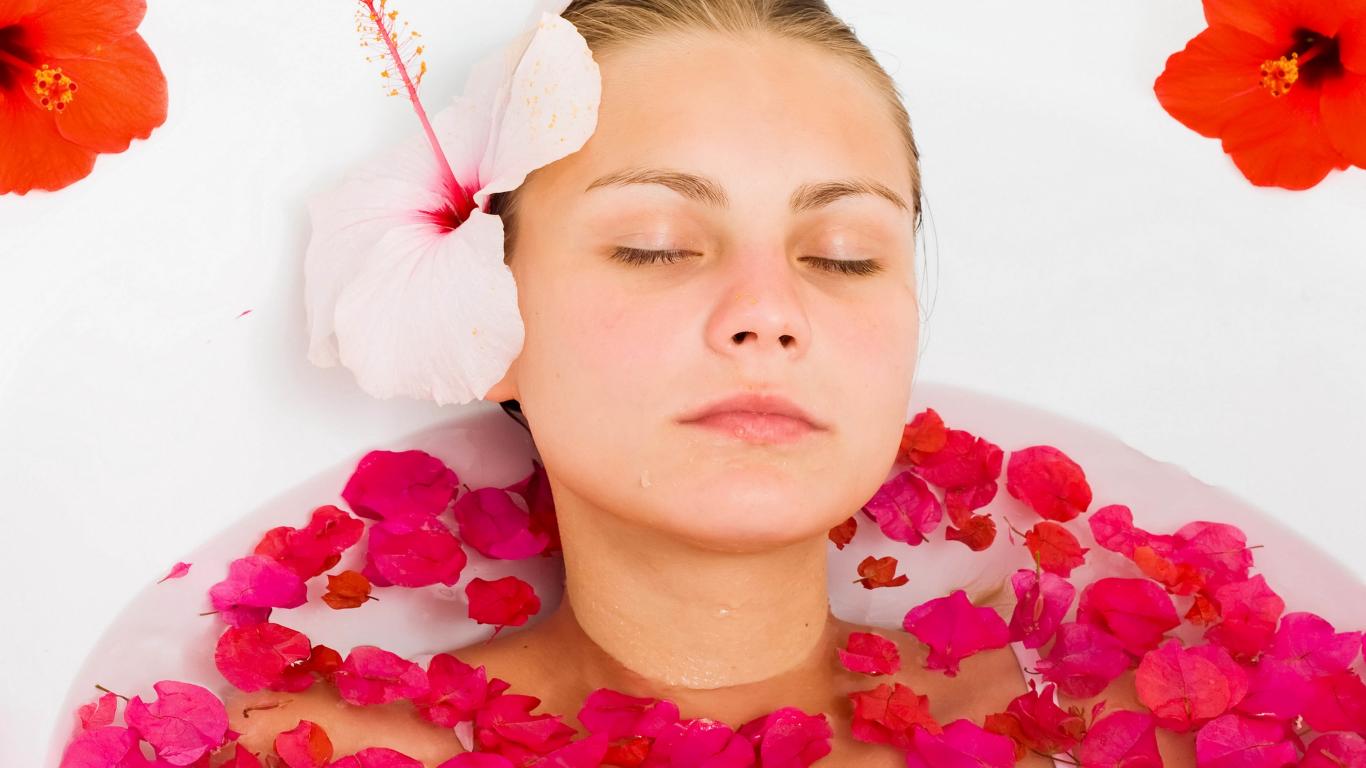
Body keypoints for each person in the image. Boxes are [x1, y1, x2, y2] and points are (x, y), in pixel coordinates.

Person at [229, 1, 1197, 765]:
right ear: (489, 317)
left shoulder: (1127, 729)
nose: (768, 311)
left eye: (845, 255)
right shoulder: (304, 751)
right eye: (655, 246)